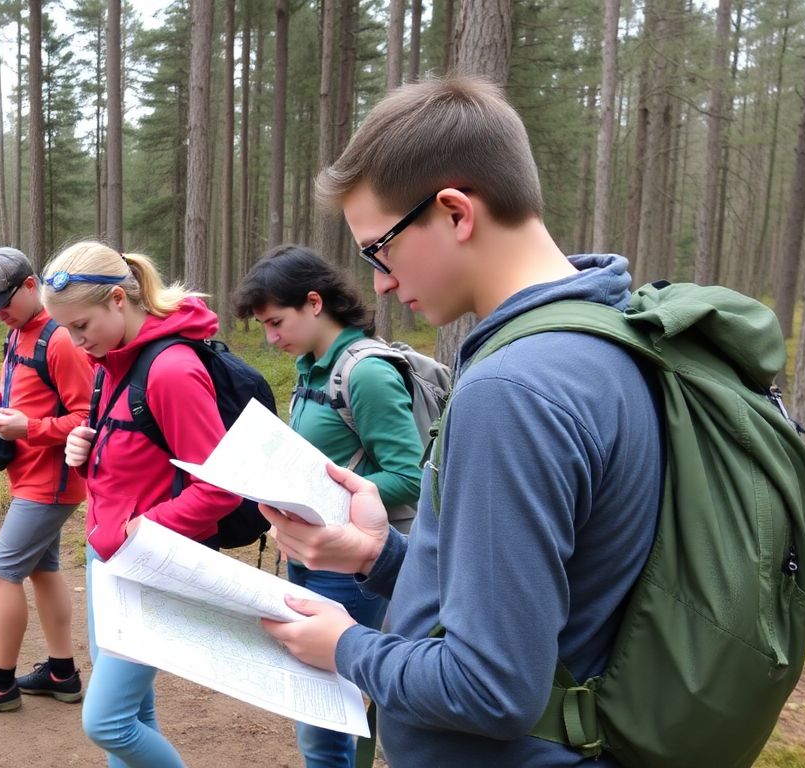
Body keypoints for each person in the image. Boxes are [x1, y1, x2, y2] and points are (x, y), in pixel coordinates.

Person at [259, 76, 662, 767]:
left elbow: (493, 688)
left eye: (378, 248)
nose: (380, 281)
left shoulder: (515, 390)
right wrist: (377, 557)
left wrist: (346, 646)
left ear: (453, 212)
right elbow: (544, 599)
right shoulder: (609, 339)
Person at [43, 241, 240, 768]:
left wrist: (144, 528)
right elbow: (130, 460)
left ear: (116, 300)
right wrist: (83, 455)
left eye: (81, 325)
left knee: (104, 719)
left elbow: (221, 487)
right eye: (67, 331)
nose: (78, 342)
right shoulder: (110, 360)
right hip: (107, 553)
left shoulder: (172, 370)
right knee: (133, 716)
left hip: (151, 559)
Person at [233, 244, 422, 768]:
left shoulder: (365, 374)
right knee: (312, 698)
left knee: (320, 708)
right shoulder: (312, 366)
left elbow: (409, 476)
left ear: (315, 302)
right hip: (311, 552)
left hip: (353, 562)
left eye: (276, 321)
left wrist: (325, 499)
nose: (270, 338)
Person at [0, 247, 94, 716]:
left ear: (32, 287)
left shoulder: (61, 339)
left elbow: (89, 419)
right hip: (28, 476)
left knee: (0, 572)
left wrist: (29, 429)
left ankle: (1, 683)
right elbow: (26, 390)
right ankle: (61, 672)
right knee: (41, 569)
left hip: (50, 481)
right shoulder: (19, 334)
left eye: (5, 304)